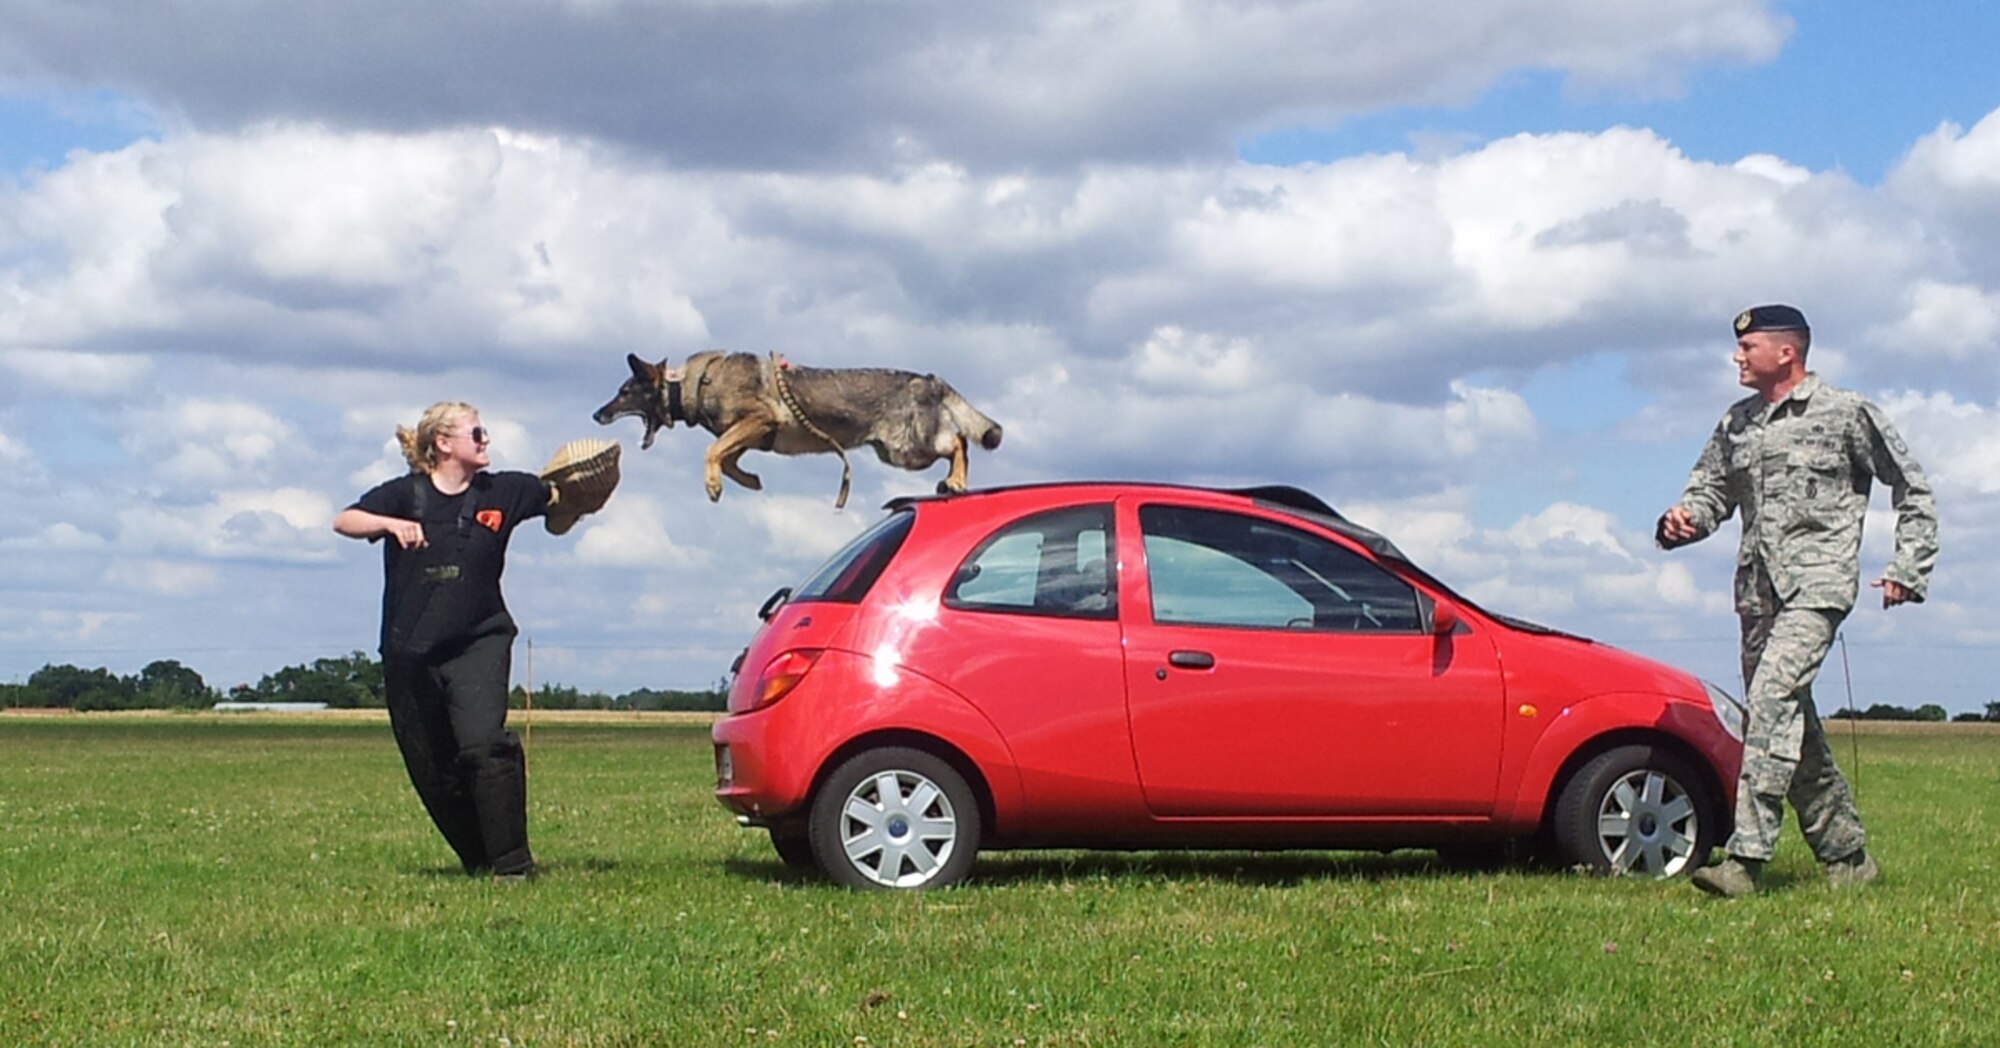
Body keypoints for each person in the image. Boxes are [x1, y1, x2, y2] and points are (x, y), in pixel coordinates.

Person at [1657, 305, 1937, 897]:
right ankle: (1848, 857)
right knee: (1787, 724)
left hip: (1816, 588)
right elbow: (1710, 491)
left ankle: (1746, 859)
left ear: (1786, 352)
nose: (1738, 356)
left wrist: (1907, 567)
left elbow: (1911, 486)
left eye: (1748, 346)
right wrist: (1684, 520)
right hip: (1758, 595)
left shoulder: (1845, 412)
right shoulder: (1737, 422)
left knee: (1771, 699)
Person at [334, 402, 553, 880]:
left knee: (484, 746)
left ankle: (514, 866)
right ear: (443, 444)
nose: (485, 440)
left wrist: (584, 487)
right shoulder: (403, 496)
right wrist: (389, 525)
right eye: (476, 433)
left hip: (479, 641)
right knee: (433, 766)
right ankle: (480, 859)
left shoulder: (506, 490)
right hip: (409, 652)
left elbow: (561, 497)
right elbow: (344, 520)